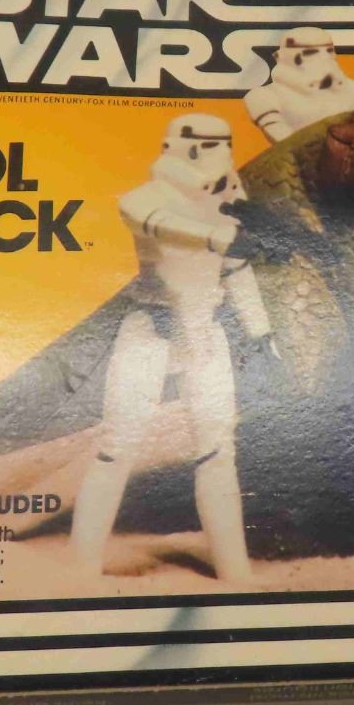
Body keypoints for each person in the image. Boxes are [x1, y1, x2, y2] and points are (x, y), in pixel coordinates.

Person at [68, 113, 271, 585]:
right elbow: (160, 225)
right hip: (152, 327)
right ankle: (80, 571)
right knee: (117, 449)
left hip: (205, 327)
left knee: (217, 451)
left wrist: (262, 333)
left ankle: (235, 572)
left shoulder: (226, 194)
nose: (221, 155)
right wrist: (221, 232)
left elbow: (236, 270)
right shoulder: (147, 198)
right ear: (189, 148)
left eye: (224, 144)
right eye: (212, 145)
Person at [243, 28, 354, 142]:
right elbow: (287, 143)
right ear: (280, 56)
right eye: (310, 52)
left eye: (329, 51)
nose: (324, 58)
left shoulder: (351, 88)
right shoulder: (263, 96)